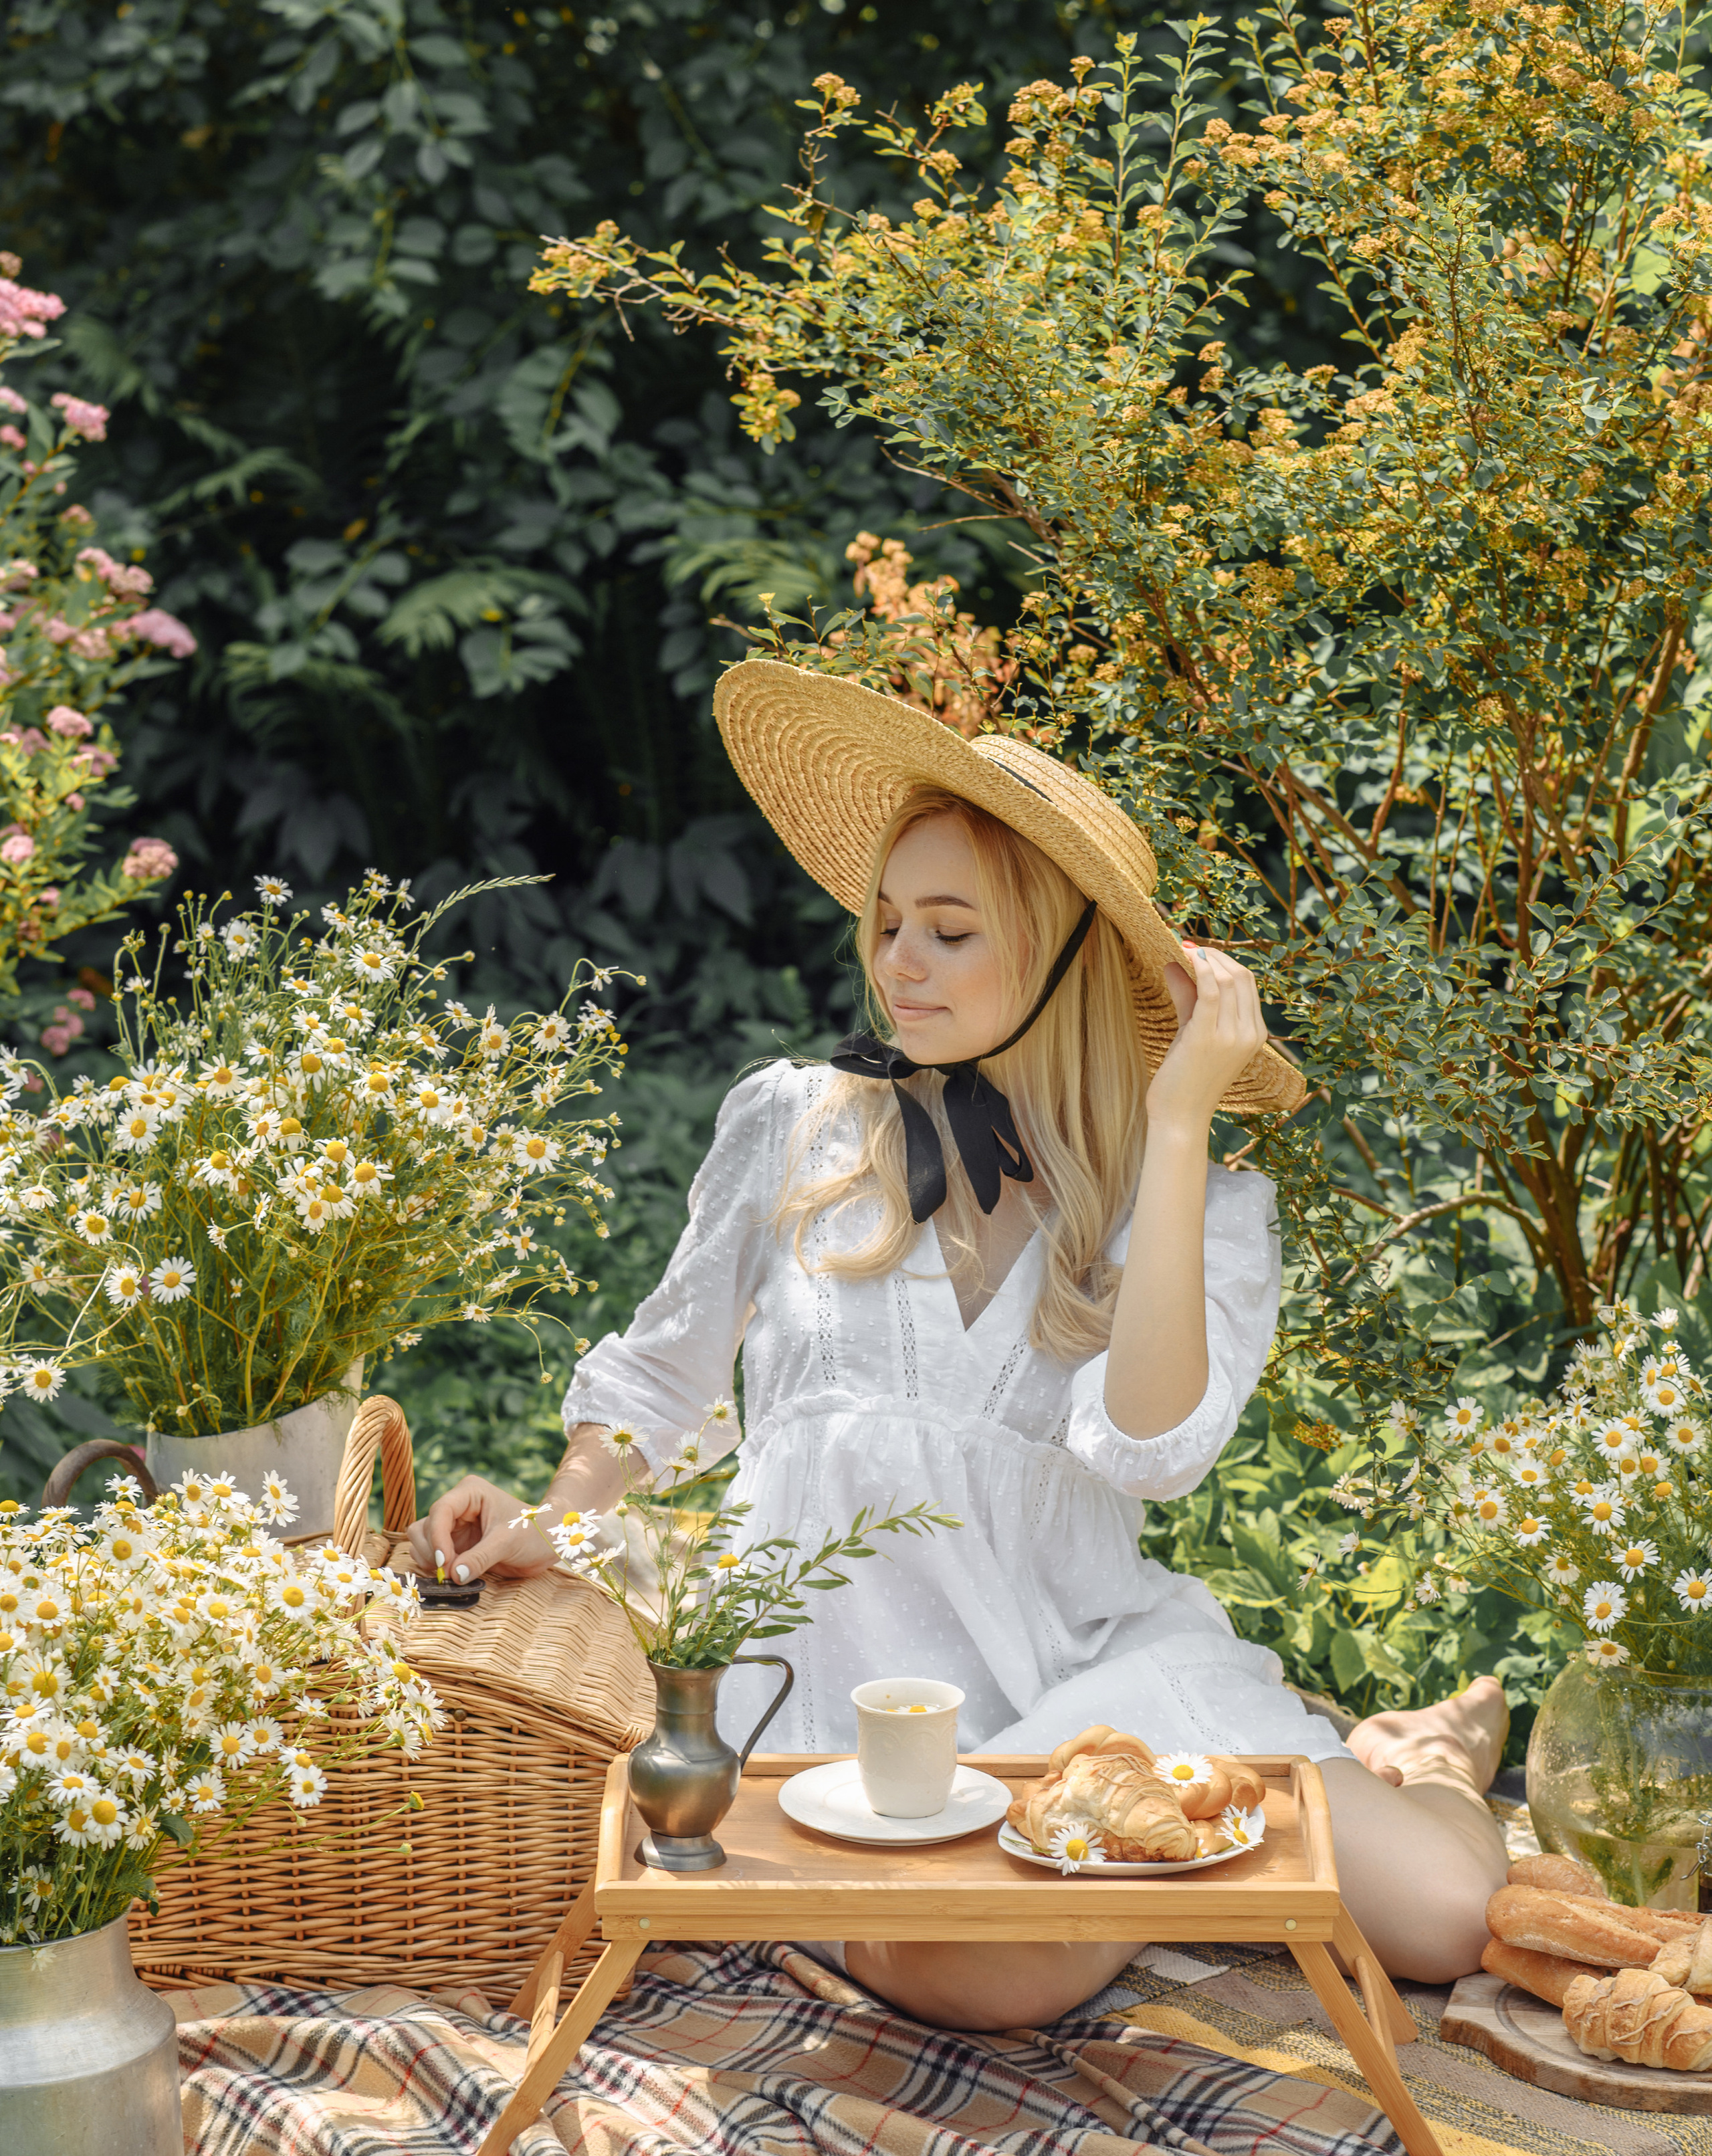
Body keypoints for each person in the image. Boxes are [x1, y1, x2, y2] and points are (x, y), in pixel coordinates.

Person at [410, 662, 1509, 2030]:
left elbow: (1151, 1451)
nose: (896, 964)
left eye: (948, 930)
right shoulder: (796, 1123)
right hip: (845, 1719)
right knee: (979, 1977)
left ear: (1061, 959)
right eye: (886, 924)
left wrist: (1178, 1125)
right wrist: (558, 1521)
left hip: (1092, 1688)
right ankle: (1156, 1857)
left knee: (1454, 1918)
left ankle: (1421, 1757)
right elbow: (661, 1371)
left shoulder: (1197, 1206)